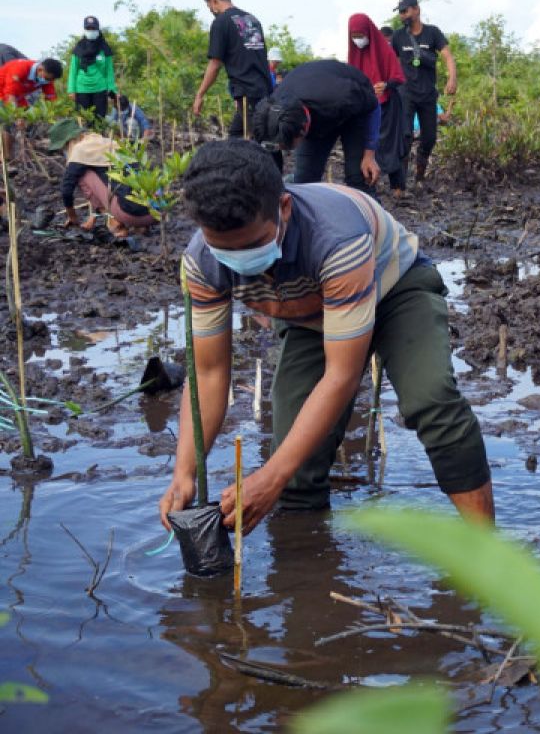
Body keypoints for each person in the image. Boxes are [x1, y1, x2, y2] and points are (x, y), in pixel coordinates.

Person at [157, 139, 494, 534]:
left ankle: (485, 547)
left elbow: (341, 376)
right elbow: (209, 372)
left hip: (394, 290)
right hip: (311, 315)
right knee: (296, 463)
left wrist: (270, 477)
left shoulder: (336, 238)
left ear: (283, 208)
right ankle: (304, 573)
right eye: (223, 249)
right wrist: (185, 473)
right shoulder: (201, 263)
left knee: (431, 399)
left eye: (251, 246)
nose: (239, 261)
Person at [252, 59, 381, 192]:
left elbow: (373, 105)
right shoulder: (271, 117)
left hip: (355, 111)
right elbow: (273, 167)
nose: (285, 151)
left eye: (287, 147)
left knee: (358, 177)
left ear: (302, 130)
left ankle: (371, 208)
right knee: (304, 181)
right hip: (313, 114)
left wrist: (369, 153)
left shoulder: (341, 97)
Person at [192, 0, 272, 143]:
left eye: (209, 6)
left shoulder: (221, 22)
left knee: (249, 143)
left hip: (247, 93)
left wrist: (200, 94)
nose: (211, 10)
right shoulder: (252, 20)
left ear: (214, 0)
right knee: (248, 138)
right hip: (264, 91)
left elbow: (215, 64)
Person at [390, 0, 457, 183]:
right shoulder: (398, 36)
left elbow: (447, 56)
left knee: (429, 138)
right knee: (405, 136)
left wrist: (452, 78)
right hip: (406, 93)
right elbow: (390, 62)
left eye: (405, 11)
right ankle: (400, 182)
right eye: (400, 13)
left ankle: (419, 177)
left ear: (416, 9)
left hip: (428, 94)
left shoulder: (433, 32)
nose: (403, 16)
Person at [47, 119, 153, 236]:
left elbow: (66, 190)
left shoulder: (80, 150)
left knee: (83, 175)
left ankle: (116, 224)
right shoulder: (104, 142)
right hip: (156, 213)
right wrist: (94, 216)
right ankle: (140, 227)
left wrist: (72, 217)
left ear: (68, 142)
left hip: (132, 214)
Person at [347, 13, 408, 199]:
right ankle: (368, 181)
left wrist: (386, 84)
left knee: (389, 144)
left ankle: (397, 186)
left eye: (361, 35)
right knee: (366, 143)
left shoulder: (384, 50)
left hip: (386, 104)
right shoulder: (354, 53)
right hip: (364, 106)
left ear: (369, 33)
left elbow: (398, 77)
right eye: (354, 36)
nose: (358, 40)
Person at [67, 16, 117, 119]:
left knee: (99, 119)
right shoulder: (78, 48)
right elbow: (73, 70)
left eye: (93, 28)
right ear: (84, 30)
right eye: (88, 29)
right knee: (84, 120)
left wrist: (112, 90)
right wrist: (71, 90)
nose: (91, 31)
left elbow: (109, 71)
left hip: (100, 88)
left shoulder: (104, 48)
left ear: (98, 29)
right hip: (81, 89)